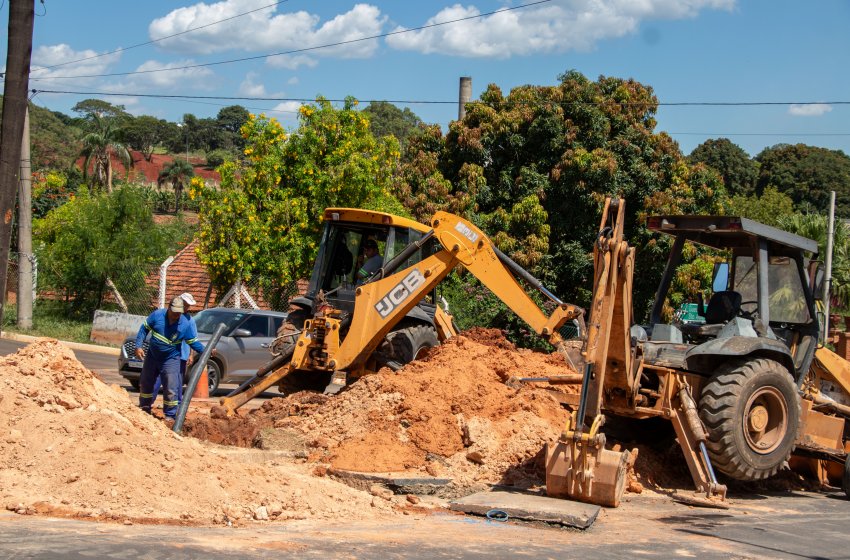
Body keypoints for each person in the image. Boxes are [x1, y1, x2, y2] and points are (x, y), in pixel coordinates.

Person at [135, 296, 205, 422]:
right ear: (169, 308)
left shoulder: (185, 323)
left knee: (171, 387)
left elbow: (192, 342)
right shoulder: (157, 316)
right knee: (146, 382)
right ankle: (144, 407)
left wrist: (206, 351)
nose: (176, 315)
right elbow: (144, 329)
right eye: (174, 312)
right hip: (152, 356)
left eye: (179, 313)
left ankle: (170, 415)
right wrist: (138, 346)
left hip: (171, 359)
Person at [151, 292, 198, 402]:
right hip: (165, 354)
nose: (186, 307)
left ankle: (177, 408)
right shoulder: (168, 316)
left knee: (176, 383)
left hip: (181, 356)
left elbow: (192, 339)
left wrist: (191, 355)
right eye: (184, 304)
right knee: (156, 380)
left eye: (188, 305)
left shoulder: (190, 321)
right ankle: (148, 403)